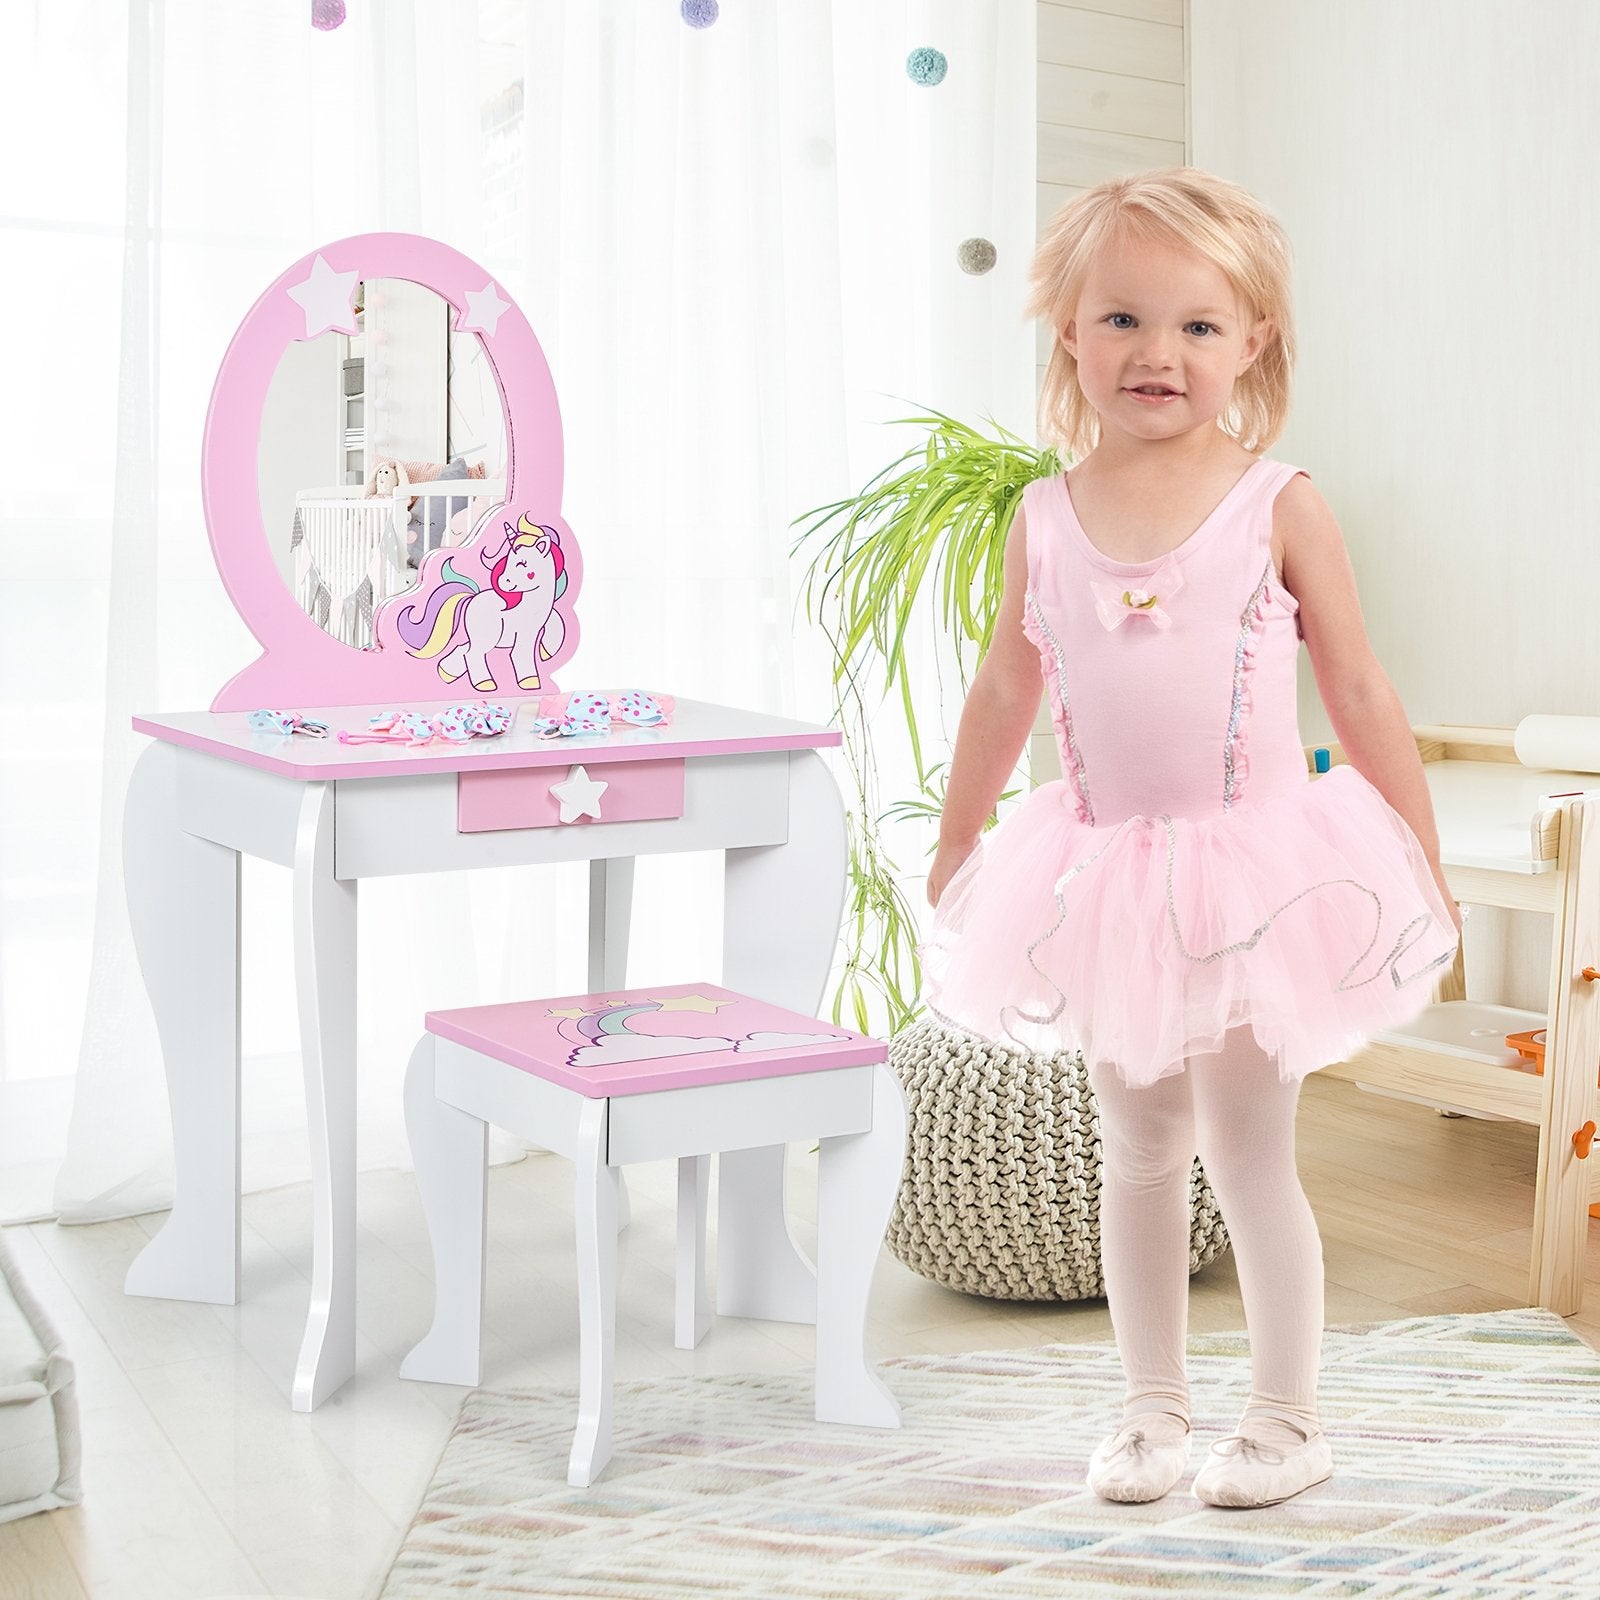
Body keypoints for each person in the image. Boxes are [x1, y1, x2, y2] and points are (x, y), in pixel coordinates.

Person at [919, 167, 1462, 1510]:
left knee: (1250, 1151)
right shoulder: (1042, 516)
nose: (1157, 354)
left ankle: (1286, 1421)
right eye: (1121, 321)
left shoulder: (1280, 501)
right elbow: (1005, 687)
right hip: (1105, 874)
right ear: (1068, 333)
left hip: (1255, 879)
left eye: (1198, 327)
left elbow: (1362, 686)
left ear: (1254, 343)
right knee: (1140, 1150)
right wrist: (961, 833)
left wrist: (1417, 849)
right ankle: (1150, 1414)